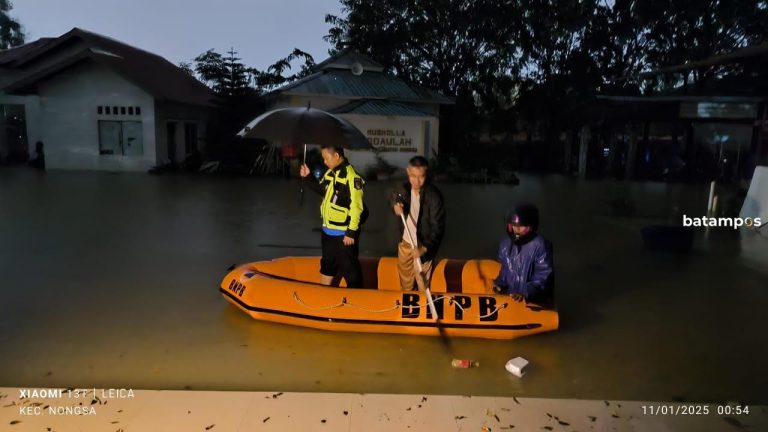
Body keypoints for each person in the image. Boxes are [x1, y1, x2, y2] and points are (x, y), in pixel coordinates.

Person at [300, 144, 366, 288]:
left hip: (344, 235)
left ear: (336, 156)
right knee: (327, 265)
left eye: (326, 158)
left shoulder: (352, 178)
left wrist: (351, 232)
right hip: (327, 231)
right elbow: (321, 189)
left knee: (350, 269)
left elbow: (357, 208)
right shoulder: (330, 173)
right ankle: (323, 297)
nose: (324, 162)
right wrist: (308, 176)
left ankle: (358, 300)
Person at [392, 156, 446, 291]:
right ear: (408, 172)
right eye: (413, 176)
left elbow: (438, 228)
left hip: (422, 246)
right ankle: (407, 310)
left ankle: (423, 309)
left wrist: (425, 248)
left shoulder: (434, 197)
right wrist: (395, 205)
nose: (416, 181)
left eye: (421, 177)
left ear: (426, 175)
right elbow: (393, 196)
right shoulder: (402, 189)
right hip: (405, 244)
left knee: (423, 285)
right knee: (405, 285)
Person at [493, 204, 554, 306]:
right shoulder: (505, 245)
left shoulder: (541, 245)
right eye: (514, 226)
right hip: (511, 299)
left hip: (533, 301)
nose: (517, 230)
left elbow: (543, 276)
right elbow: (504, 272)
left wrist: (524, 293)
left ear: (531, 226)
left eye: (520, 226)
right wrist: (499, 285)